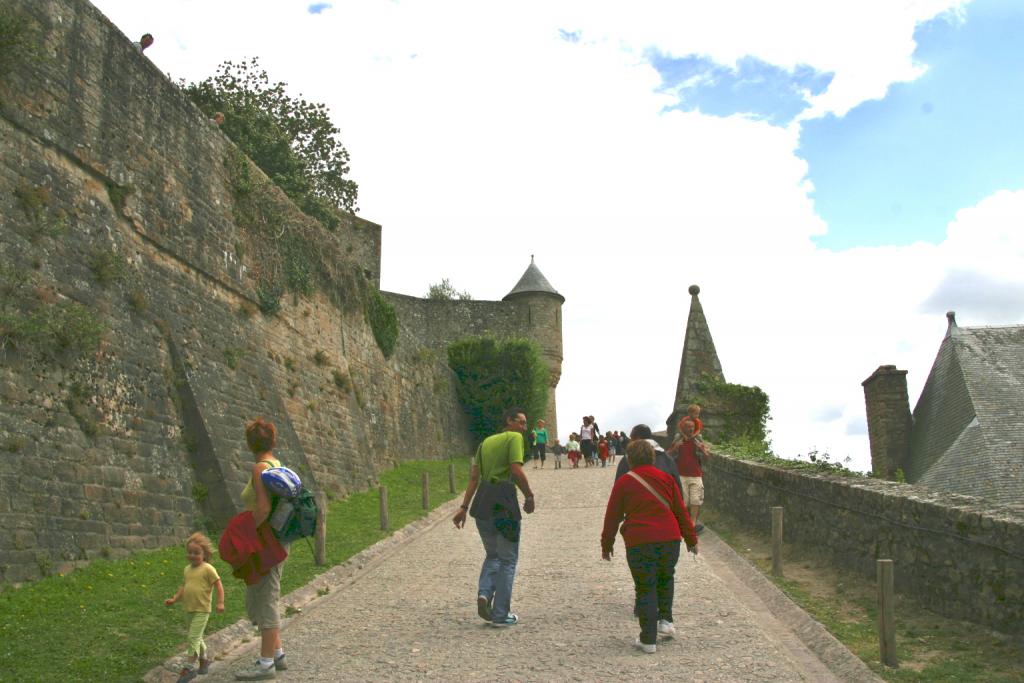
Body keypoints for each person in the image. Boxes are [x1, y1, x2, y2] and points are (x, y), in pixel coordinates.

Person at [601, 439, 698, 654]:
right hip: (669, 538)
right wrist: (691, 540)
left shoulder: (624, 482)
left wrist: (606, 545)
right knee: (666, 578)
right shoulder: (666, 479)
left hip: (640, 540)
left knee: (645, 586)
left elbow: (612, 517)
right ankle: (666, 622)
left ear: (629, 459)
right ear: (653, 457)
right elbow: (681, 511)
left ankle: (648, 639)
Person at [453, 407, 537, 627]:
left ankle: (484, 593)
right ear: (509, 421)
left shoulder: (485, 443)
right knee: (508, 560)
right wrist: (529, 496)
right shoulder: (514, 438)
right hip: (503, 500)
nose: (524, 427)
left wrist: (463, 507)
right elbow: (516, 470)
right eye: (521, 422)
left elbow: (473, 478)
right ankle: (500, 614)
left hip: (482, 502)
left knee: (492, 555)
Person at [235, 418, 288, 680]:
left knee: (265, 599)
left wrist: (244, 533)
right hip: (276, 541)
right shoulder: (276, 464)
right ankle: (277, 653)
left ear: (250, 443)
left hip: (264, 541)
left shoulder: (259, 468)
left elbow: (263, 508)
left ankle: (265, 663)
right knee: (260, 595)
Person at [165, 532, 225, 683]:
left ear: (204, 554)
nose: (192, 555)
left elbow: (218, 585)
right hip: (189, 608)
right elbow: (184, 586)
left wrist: (220, 602)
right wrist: (175, 598)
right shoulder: (187, 569)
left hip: (202, 609)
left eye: (196, 553)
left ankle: (189, 667)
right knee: (197, 638)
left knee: (192, 637)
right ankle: (204, 660)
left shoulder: (208, 569)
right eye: (190, 552)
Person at [668, 417, 709, 534]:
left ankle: (693, 524)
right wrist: (675, 448)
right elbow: (668, 455)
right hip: (681, 475)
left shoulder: (698, 441)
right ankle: (685, 524)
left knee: (696, 500)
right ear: (683, 428)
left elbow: (707, 457)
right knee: (684, 502)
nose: (690, 429)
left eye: (692, 427)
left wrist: (702, 449)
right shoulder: (678, 440)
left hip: (696, 475)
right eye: (688, 427)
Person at [614, 424, 683, 494]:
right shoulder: (666, 458)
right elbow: (677, 488)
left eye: (631, 437)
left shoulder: (627, 458)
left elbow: (618, 488)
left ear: (636, 438)